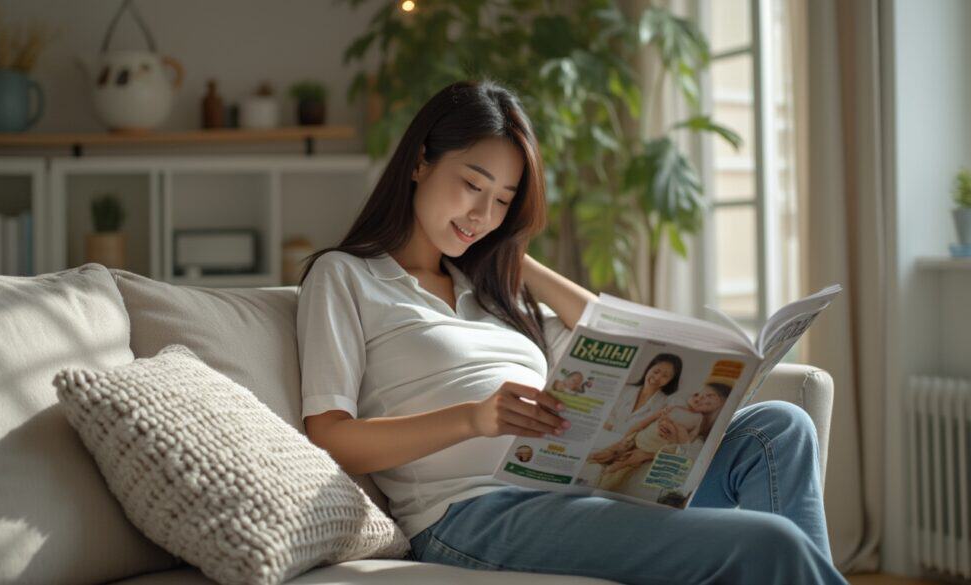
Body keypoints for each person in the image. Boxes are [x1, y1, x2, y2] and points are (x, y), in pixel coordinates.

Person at [297, 79, 846, 584]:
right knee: (770, 542)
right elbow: (330, 438)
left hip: (574, 485)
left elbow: (622, 339)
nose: (482, 214)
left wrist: (514, 257)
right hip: (470, 516)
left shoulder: (492, 290)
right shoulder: (346, 276)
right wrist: (473, 419)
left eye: (504, 202)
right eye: (471, 185)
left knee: (780, 429)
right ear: (420, 163)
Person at [588, 383, 732, 491]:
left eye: (708, 401)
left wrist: (648, 453)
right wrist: (625, 438)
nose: (701, 400)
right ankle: (594, 473)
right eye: (698, 395)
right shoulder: (673, 408)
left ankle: (604, 480)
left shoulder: (697, 421)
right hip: (637, 438)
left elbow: (685, 444)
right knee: (602, 456)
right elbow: (644, 422)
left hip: (652, 448)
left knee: (620, 467)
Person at [601, 353, 683, 434]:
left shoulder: (666, 406)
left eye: (665, 376)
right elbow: (605, 418)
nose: (657, 378)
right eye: (656, 371)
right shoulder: (624, 389)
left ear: (671, 380)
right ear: (649, 369)